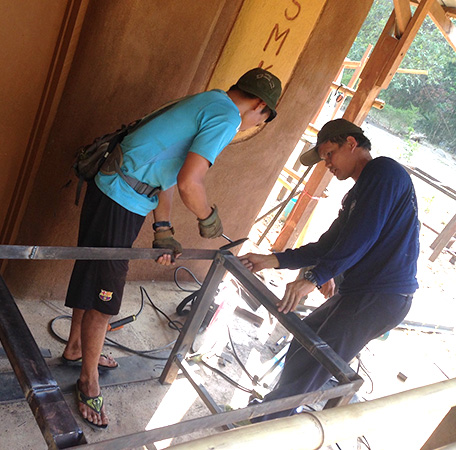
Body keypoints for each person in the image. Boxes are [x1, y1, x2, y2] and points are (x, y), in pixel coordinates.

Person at [63, 68, 283, 429]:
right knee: (105, 294)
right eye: (262, 120)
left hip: (113, 186)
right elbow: (189, 183)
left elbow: (164, 172)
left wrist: (162, 228)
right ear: (259, 105)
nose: (254, 125)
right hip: (121, 199)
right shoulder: (227, 117)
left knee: (91, 270)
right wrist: (208, 216)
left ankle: (76, 347)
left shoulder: (210, 99)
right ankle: (88, 380)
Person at [241, 118, 420, 421]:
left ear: (351, 143)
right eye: (323, 158)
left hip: (382, 296)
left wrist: (314, 278)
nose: (326, 164)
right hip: (360, 293)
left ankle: (263, 428)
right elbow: (328, 245)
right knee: (304, 343)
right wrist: (272, 259)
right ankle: (276, 412)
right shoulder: (356, 195)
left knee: (316, 363)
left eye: (329, 154)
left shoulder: (384, 172)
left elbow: (362, 237)